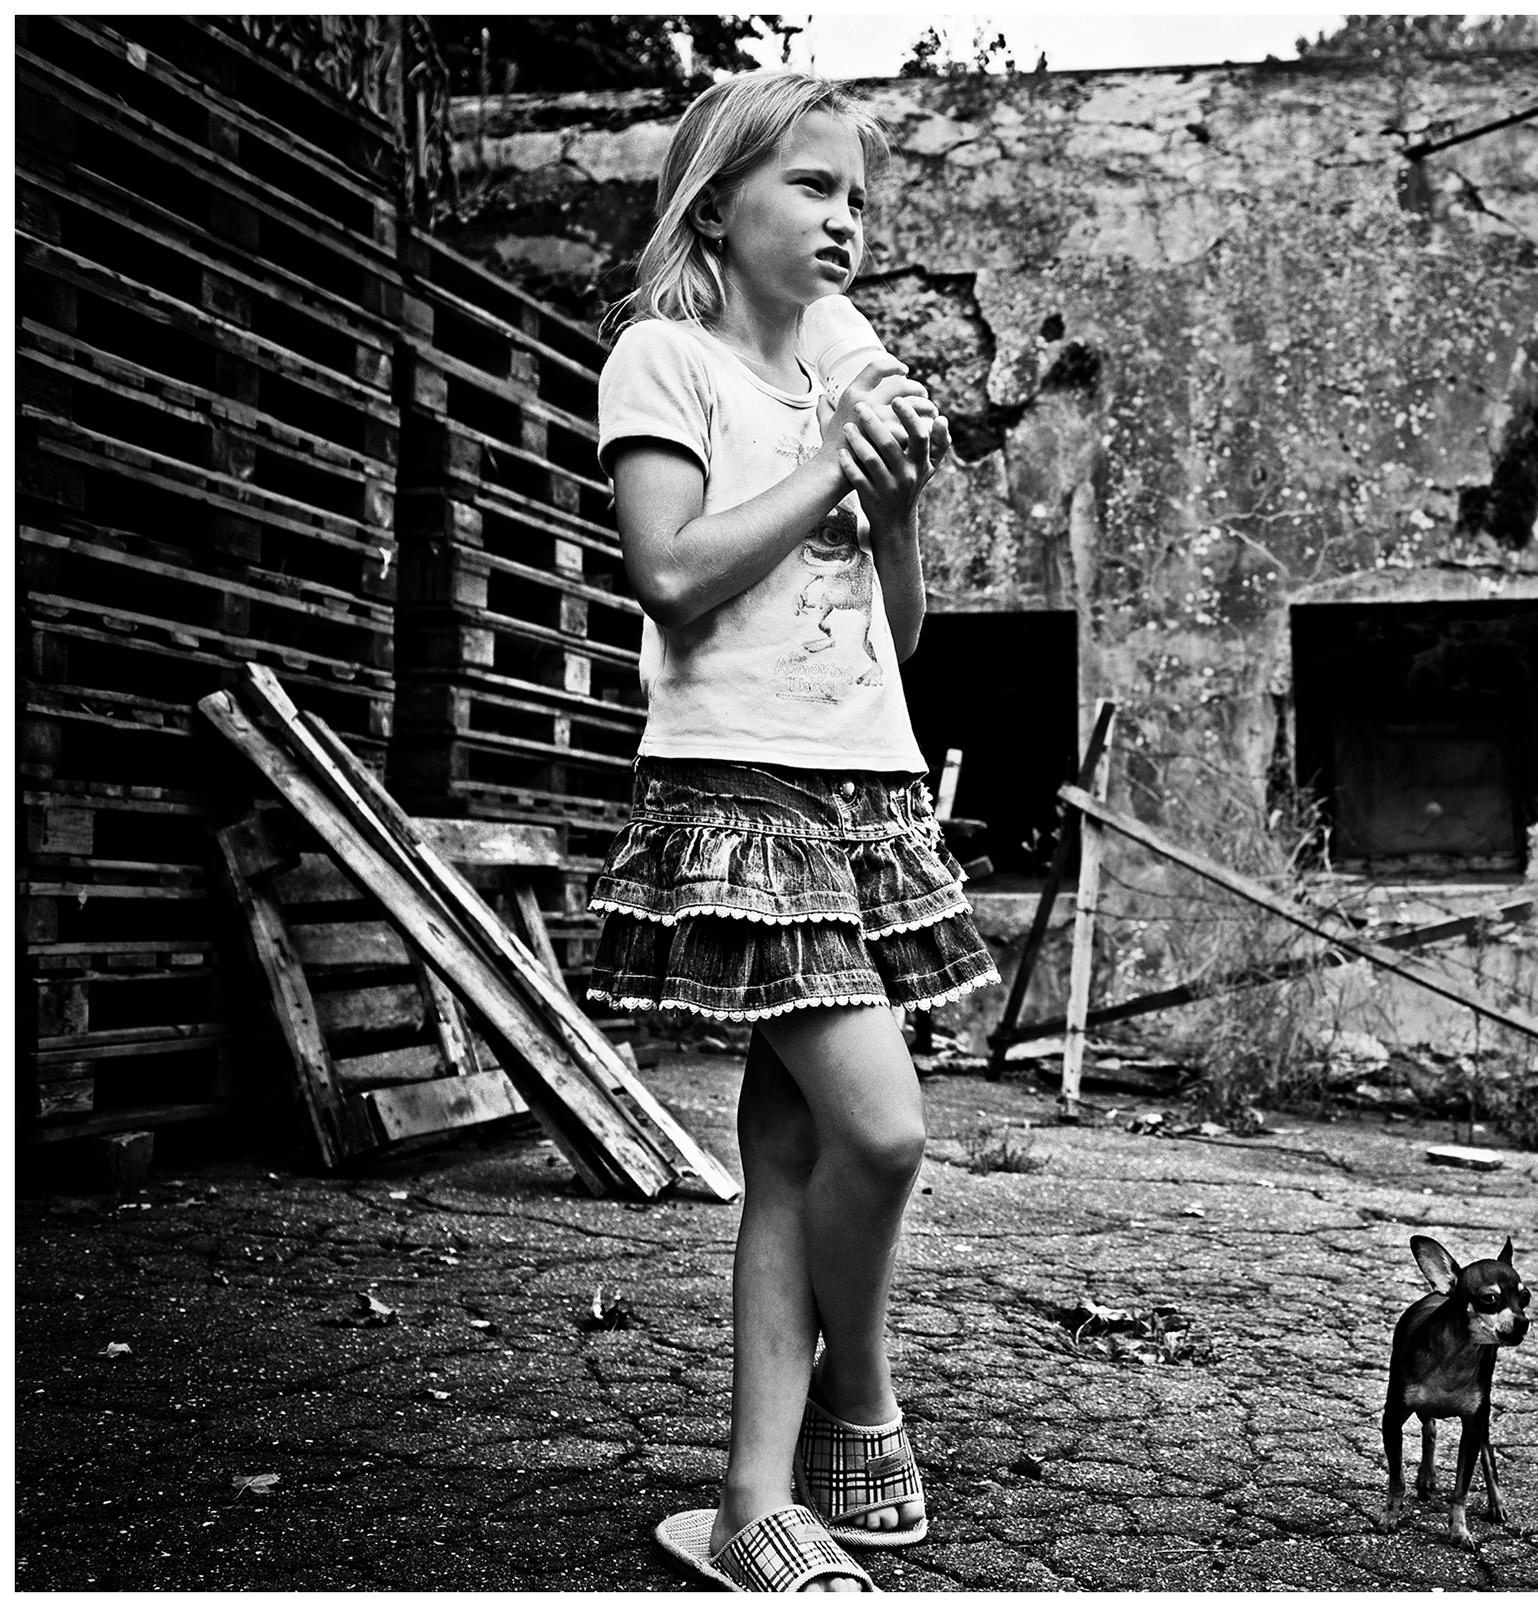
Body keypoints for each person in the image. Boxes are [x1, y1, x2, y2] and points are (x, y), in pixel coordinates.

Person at [584, 68, 999, 1593]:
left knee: (790, 1148)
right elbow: (673, 578)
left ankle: (755, 1500)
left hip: (864, 789)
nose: (848, 222)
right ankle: (859, 1401)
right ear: (720, 200)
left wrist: (890, 512)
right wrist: (832, 460)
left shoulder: (844, 356)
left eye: (860, 197)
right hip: (740, 792)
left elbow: (897, 630)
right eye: (815, 188)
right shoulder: (665, 360)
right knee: (880, 1131)